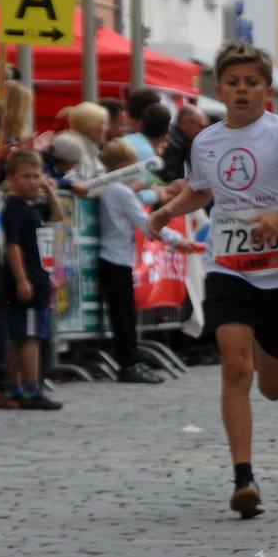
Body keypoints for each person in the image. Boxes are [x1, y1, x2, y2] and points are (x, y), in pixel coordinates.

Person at [144, 43, 278, 517]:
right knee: (234, 369)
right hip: (227, 267)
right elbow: (202, 190)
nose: (242, 90)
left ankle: (260, 347)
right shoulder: (206, 141)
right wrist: (168, 211)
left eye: (252, 83)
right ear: (219, 89)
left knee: (272, 386)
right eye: (233, 83)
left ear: (267, 91)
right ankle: (243, 478)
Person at [94, 140, 166, 384]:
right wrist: (177, 240)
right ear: (125, 165)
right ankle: (128, 363)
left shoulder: (113, 189)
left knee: (125, 313)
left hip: (117, 257)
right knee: (123, 315)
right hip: (115, 258)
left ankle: (130, 359)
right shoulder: (119, 191)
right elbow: (145, 222)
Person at [0, 149, 64, 410]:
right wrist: (22, 279)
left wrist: (48, 190)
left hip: (35, 275)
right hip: (27, 276)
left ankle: (15, 388)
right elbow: (12, 245)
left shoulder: (32, 204)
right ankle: (32, 389)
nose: (33, 181)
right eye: (26, 176)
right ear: (11, 177)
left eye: (37, 175)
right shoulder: (14, 205)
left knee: (19, 335)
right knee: (31, 337)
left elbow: (57, 215)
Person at [158, 105, 207, 185]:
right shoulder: (172, 145)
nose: (202, 132)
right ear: (184, 123)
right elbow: (169, 179)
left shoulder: (184, 145)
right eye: (200, 126)